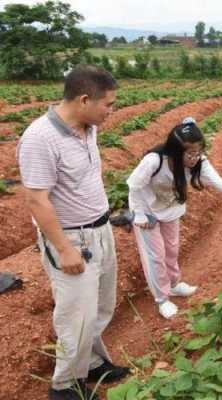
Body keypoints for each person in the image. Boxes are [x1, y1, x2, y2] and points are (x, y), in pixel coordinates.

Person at [17, 65, 130, 400]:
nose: (112, 111)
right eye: (108, 104)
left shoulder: (87, 126)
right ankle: (65, 386)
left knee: (100, 306)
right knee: (76, 317)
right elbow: (37, 200)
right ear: (84, 99)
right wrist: (64, 249)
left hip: (100, 229)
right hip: (73, 239)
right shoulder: (40, 138)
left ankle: (93, 362)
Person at [127, 117, 222, 319]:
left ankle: (174, 284)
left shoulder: (200, 163)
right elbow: (134, 185)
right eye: (190, 153)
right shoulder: (154, 161)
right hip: (147, 211)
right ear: (175, 150)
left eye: (198, 152)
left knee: (172, 250)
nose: (194, 158)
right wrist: (137, 213)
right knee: (155, 256)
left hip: (171, 210)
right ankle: (162, 299)